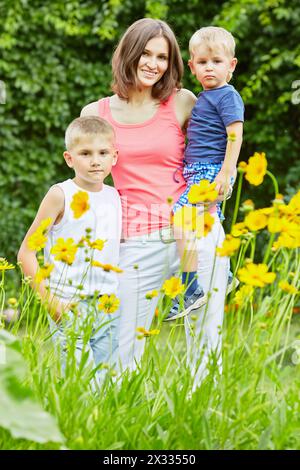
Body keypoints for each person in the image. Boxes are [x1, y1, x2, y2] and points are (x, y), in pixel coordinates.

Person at [81, 18, 229, 386]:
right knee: (122, 345)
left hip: (196, 228)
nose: (153, 63)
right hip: (136, 239)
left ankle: (202, 422)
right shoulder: (94, 114)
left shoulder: (182, 101)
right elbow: (88, 179)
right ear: (128, 54)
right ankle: (115, 425)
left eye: (162, 57)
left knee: (206, 340)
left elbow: (214, 149)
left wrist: (224, 180)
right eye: (145, 53)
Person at [18, 116, 122, 383]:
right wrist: (51, 302)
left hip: (108, 306)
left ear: (115, 156)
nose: (95, 160)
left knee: (109, 386)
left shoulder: (114, 196)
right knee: (79, 386)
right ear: (69, 158)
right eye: (85, 153)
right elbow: (26, 253)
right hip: (69, 305)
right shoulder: (60, 195)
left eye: (103, 153)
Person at [166, 26, 244, 321]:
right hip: (198, 171)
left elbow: (235, 135)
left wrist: (227, 171)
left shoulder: (227, 96)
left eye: (217, 61)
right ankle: (226, 275)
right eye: (202, 62)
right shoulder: (205, 97)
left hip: (212, 171)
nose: (209, 67)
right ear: (192, 66)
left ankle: (190, 290)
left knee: (181, 220)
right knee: (206, 226)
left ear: (231, 65)